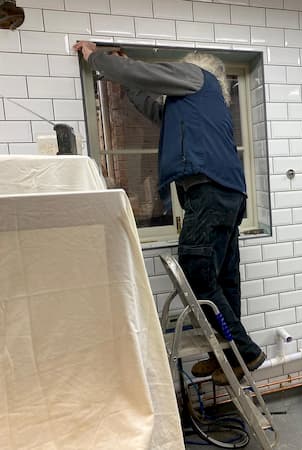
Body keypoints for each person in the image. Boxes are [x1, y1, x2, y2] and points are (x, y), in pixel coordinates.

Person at [73, 41, 266, 384]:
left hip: (209, 190)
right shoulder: (199, 104)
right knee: (223, 278)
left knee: (197, 269)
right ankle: (224, 357)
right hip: (228, 193)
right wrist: (126, 79)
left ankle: (244, 351)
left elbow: (143, 74)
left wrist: (97, 58)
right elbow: (152, 106)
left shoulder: (195, 76)